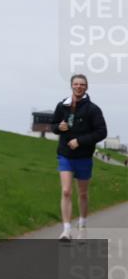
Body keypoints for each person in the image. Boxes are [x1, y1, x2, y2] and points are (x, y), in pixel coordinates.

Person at [50, 74, 107, 242]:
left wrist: (80, 141)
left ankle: (82, 226)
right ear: (71, 86)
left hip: (84, 157)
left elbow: (102, 132)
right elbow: (53, 125)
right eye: (76, 84)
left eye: (82, 84)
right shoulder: (62, 106)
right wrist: (58, 127)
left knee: (82, 194)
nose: (79, 87)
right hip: (65, 155)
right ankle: (66, 230)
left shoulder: (93, 109)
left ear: (86, 87)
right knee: (66, 191)